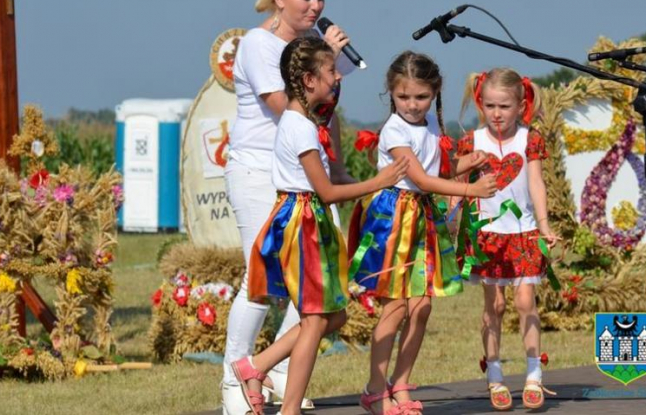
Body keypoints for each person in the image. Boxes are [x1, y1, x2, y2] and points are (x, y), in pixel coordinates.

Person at [231, 37, 409, 415]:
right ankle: (290, 408)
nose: (335, 78)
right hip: (303, 221)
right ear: (310, 80)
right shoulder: (300, 128)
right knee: (314, 320)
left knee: (335, 315)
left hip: (307, 218)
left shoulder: (302, 122)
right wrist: (380, 181)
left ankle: (256, 365)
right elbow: (326, 192)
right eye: (330, 71)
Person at [222, 0, 357, 413]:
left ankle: (275, 372)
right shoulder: (258, 45)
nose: (316, 6)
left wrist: (335, 167)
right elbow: (287, 104)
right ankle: (233, 378)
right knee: (259, 279)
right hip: (259, 170)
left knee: (315, 284)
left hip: (307, 171)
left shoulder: (315, 46)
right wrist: (328, 60)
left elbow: (325, 111)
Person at [347, 51, 498, 415]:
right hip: (394, 219)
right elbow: (420, 179)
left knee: (423, 306)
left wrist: (467, 164)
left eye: (421, 97)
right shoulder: (395, 131)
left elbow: (438, 169)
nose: (412, 105)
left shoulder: (430, 123)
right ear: (391, 94)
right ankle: (374, 389)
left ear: (434, 93)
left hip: (422, 216)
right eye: (403, 97)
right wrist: (471, 191)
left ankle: (400, 382)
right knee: (396, 306)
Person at [456, 67, 558, 411]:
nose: (496, 114)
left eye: (504, 106)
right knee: (494, 306)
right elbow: (454, 180)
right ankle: (495, 373)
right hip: (486, 235)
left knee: (525, 302)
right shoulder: (472, 140)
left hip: (523, 232)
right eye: (489, 106)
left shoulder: (529, 139)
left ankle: (534, 373)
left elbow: (535, 184)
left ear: (520, 105)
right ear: (479, 103)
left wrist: (543, 225)